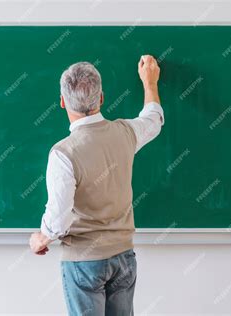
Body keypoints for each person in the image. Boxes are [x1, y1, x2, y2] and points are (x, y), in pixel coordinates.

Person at [29, 55, 164, 315]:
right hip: (123, 257)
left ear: (62, 102)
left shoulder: (63, 153)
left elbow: (58, 217)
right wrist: (150, 83)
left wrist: (41, 239)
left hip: (84, 262)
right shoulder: (125, 133)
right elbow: (154, 120)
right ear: (101, 98)